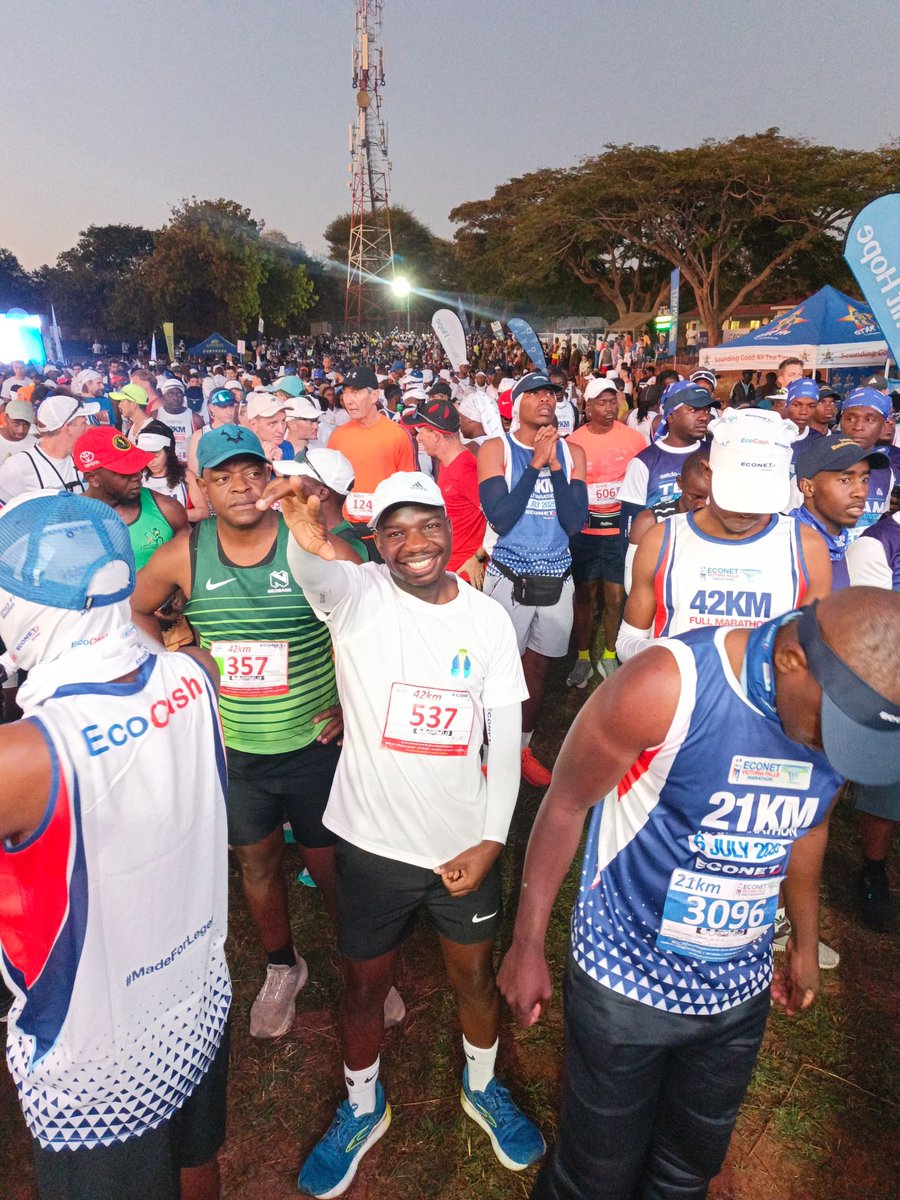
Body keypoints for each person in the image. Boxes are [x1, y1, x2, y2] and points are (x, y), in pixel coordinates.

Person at [497, 588, 900, 1200]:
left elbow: (811, 824)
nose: (830, 750)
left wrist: (804, 941)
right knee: (595, 1178)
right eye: (829, 730)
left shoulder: (838, 718)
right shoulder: (665, 687)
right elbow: (567, 803)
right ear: (792, 659)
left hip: (737, 997)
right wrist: (527, 943)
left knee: (687, 1173)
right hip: (624, 988)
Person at [259, 471, 545, 1198]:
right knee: (360, 986)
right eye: (395, 531)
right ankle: (363, 1106)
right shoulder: (357, 598)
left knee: (474, 978)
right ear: (377, 541)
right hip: (373, 847)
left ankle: (482, 1086)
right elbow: (315, 571)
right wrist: (302, 529)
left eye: (426, 526)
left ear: (451, 530)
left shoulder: (484, 619)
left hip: (462, 848)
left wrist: (490, 841)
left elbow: (505, 731)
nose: (414, 544)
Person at [0, 491, 231, 1200]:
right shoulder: (197, 676)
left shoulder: (27, 756)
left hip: (93, 1041)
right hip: (195, 990)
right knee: (197, 1160)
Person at [131, 425, 352, 1039]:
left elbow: (363, 603)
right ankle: (284, 966)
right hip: (235, 750)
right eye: (223, 477)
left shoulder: (301, 539)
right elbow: (137, 606)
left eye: (252, 472)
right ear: (201, 487)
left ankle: (357, 960)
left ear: (269, 475)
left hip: (313, 742)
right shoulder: (186, 552)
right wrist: (177, 653)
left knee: (329, 861)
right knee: (256, 864)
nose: (241, 486)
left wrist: (351, 702)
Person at [619, 408, 831, 657]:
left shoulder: (807, 547)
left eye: (761, 495)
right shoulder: (661, 540)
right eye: (738, 493)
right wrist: (675, 656)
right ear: (707, 473)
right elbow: (628, 640)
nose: (747, 511)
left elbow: (811, 650)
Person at [478, 372, 588, 786]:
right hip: (508, 577)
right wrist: (534, 467)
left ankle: (521, 748)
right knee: (499, 671)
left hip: (557, 578)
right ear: (515, 403)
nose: (546, 399)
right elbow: (501, 518)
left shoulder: (573, 452)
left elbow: (575, 521)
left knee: (538, 668)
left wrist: (555, 467)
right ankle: (490, 754)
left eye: (552, 394)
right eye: (536, 393)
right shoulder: (496, 450)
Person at [564, 378, 646, 688]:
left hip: (617, 533)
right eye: (601, 402)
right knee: (584, 596)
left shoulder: (634, 439)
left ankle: (609, 654)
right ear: (587, 406)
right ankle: (583, 656)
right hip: (584, 534)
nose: (609, 408)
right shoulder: (573, 441)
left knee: (615, 598)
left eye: (613, 401)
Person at [846, 502, 900, 930]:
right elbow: (875, 627)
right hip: (890, 671)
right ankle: (873, 869)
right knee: (889, 776)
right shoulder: (878, 544)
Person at [328, 366, 416, 555]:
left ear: (375, 395)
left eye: (356, 392)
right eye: (345, 392)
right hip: (346, 534)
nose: (348, 400)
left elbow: (409, 490)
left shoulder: (398, 436)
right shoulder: (337, 437)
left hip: (384, 533)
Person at [74, 426, 188, 569]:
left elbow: (191, 572)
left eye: (136, 465)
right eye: (125, 471)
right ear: (93, 478)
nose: (138, 476)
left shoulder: (169, 510)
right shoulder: (68, 521)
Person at [401, 397, 488, 584]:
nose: (418, 437)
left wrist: (478, 558)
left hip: (466, 575)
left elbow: (500, 519)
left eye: (421, 431)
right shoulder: (449, 464)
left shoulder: (465, 470)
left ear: (436, 435)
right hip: (451, 568)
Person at [618, 382, 716, 535]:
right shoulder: (644, 462)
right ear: (671, 415)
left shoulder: (716, 455)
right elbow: (630, 525)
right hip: (659, 551)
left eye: (707, 410)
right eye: (694, 410)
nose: (704, 417)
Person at [791, 436, 887, 589]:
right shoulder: (788, 545)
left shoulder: (838, 541)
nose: (861, 492)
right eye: (845, 480)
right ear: (808, 488)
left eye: (864, 479)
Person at [0, 394, 99, 503]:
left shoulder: (85, 457)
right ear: (68, 427)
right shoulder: (18, 466)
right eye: (83, 423)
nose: (88, 428)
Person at [834, 387, 899, 539]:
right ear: (840, 421)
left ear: (883, 426)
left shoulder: (886, 473)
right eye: (850, 418)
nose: (858, 426)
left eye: (869, 420)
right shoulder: (816, 466)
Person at [135, 419, 189, 506]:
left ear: (168, 452)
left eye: (156, 456)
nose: (151, 462)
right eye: (146, 456)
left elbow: (203, 511)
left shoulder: (185, 476)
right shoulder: (137, 478)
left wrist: (170, 516)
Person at [154, 377, 202, 462]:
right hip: (163, 466)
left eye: (179, 394)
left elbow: (203, 445)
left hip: (187, 466)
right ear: (163, 396)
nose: (175, 398)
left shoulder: (194, 418)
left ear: (184, 397)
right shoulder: (155, 416)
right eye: (170, 394)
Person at [284, 394, 325, 460]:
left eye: (316, 421)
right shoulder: (278, 452)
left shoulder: (321, 450)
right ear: (292, 424)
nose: (316, 426)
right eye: (310, 422)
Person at [0, 397, 36, 462]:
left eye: (26, 425)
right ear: (6, 418)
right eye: (16, 424)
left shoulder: (35, 445)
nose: (21, 430)